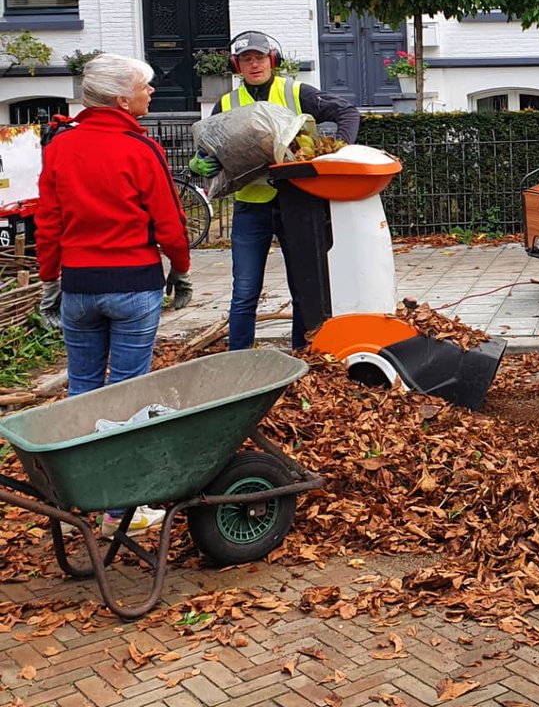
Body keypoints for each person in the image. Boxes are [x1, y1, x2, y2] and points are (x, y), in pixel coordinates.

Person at [35, 53, 190, 536]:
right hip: (132, 285)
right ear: (122, 99)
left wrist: (49, 279)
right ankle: (123, 508)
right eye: (145, 87)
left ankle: (85, 494)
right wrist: (180, 268)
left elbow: (49, 219)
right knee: (127, 394)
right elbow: (168, 221)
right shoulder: (139, 150)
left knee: (83, 391)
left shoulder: (61, 146)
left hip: (80, 286)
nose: (151, 93)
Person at [189, 30, 360, 351]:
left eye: (259, 58)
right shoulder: (227, 103)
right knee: (244, 290)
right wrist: (198, 164)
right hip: (251, 207)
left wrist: (339, 149)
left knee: (303, 286)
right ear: (236, 66)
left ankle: (302, 353)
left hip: (298, 203)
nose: (254, 65)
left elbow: (347, 112)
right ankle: (238, 360)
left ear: (272, 61)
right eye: (245, 60)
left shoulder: (295, 91)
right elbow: (208, 149)